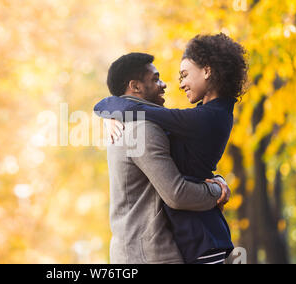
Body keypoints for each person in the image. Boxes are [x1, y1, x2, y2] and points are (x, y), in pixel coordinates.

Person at [95, 33, 248, 264]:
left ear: (207, 71)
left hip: (189, 239)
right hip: (154, 253)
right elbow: (177, 194)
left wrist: (106, 108)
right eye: (156, 79)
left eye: (185, 75)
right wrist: (218, 189)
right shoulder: (141, 129)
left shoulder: (205, 117)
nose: (169, 84)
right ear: (135, 86)